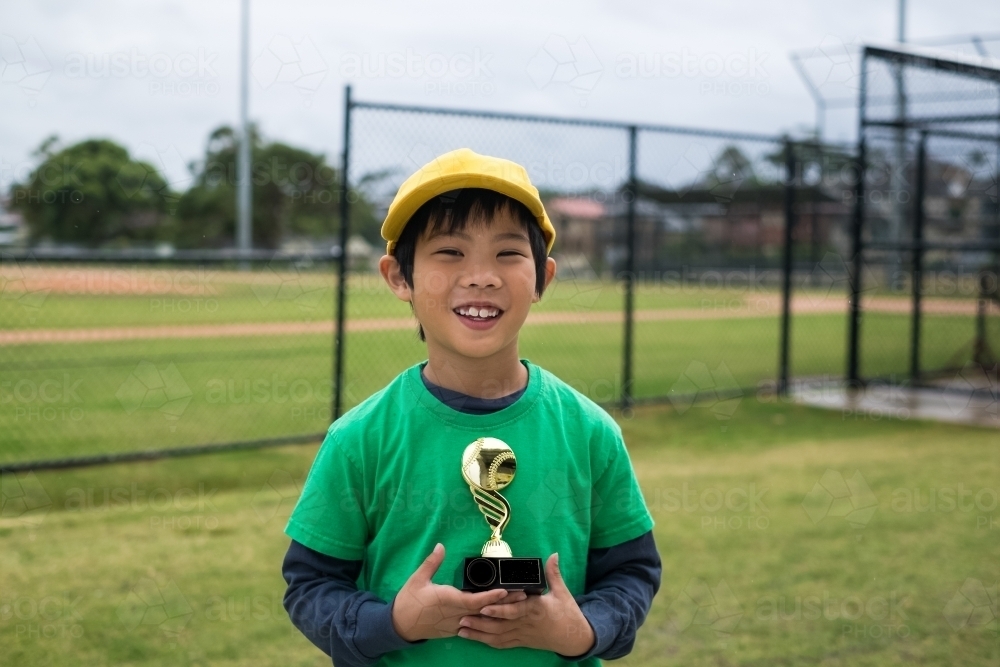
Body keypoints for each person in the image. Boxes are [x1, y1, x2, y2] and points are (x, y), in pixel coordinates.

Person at [282, 148, 661, 666]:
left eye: (508, 253)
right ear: (399, 277)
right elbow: (310, 586)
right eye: (450, 253)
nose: (481, 276)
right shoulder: (359, 439)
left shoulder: (591, 431)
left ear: (543, 277)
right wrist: (393, 623)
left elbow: (631, 572)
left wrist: (584, 631)